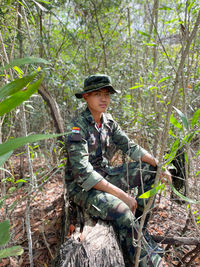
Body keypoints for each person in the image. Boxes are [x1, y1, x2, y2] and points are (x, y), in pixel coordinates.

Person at [65, 74, 171, 266]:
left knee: (150, 172)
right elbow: (84, 173)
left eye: (107, 94)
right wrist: (122, 195)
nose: (104, 99)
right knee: (122, 210)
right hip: (83, 187)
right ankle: (145, 261)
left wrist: (159, 165)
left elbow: (130, 147)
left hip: (104, 176)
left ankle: (138, 232)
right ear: (86, 97)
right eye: (97, 94)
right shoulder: (77, 127)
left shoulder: (108, 122)